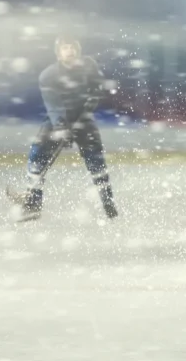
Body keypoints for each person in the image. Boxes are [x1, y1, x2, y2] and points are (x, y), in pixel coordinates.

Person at [7, 36, 117, 222]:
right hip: (57, 121)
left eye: (73, 47)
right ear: (58, 53)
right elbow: (54, 105)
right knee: (37, 157)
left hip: (83, 119)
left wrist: (87, 109)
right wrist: (61, 128)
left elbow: (97, 90)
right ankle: (33, 204)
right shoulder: (48, 75)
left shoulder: (89, 66)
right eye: (65, 48)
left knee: (96, 162)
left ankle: (108, 204)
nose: (70, 51)